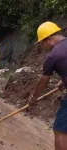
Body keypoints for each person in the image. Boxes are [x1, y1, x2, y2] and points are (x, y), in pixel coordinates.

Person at [28, 21, 67, 150]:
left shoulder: (52, 56)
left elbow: (42, 82)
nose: (42, 47)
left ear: (49, 39)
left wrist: (33, 99)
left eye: (41, 43)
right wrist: (63, 81)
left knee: (60, 131)